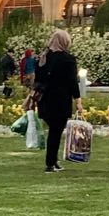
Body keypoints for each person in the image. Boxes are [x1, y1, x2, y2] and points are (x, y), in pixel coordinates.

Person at [34, 29, 83, 174]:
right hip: (60, 99)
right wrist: (78, 100)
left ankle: (53, 160)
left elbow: (38, 80)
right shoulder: (68, 59)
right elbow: (72, 82)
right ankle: (50, 163)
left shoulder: (43, 58)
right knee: (56, 131)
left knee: (53, 130)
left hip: (44, 100)